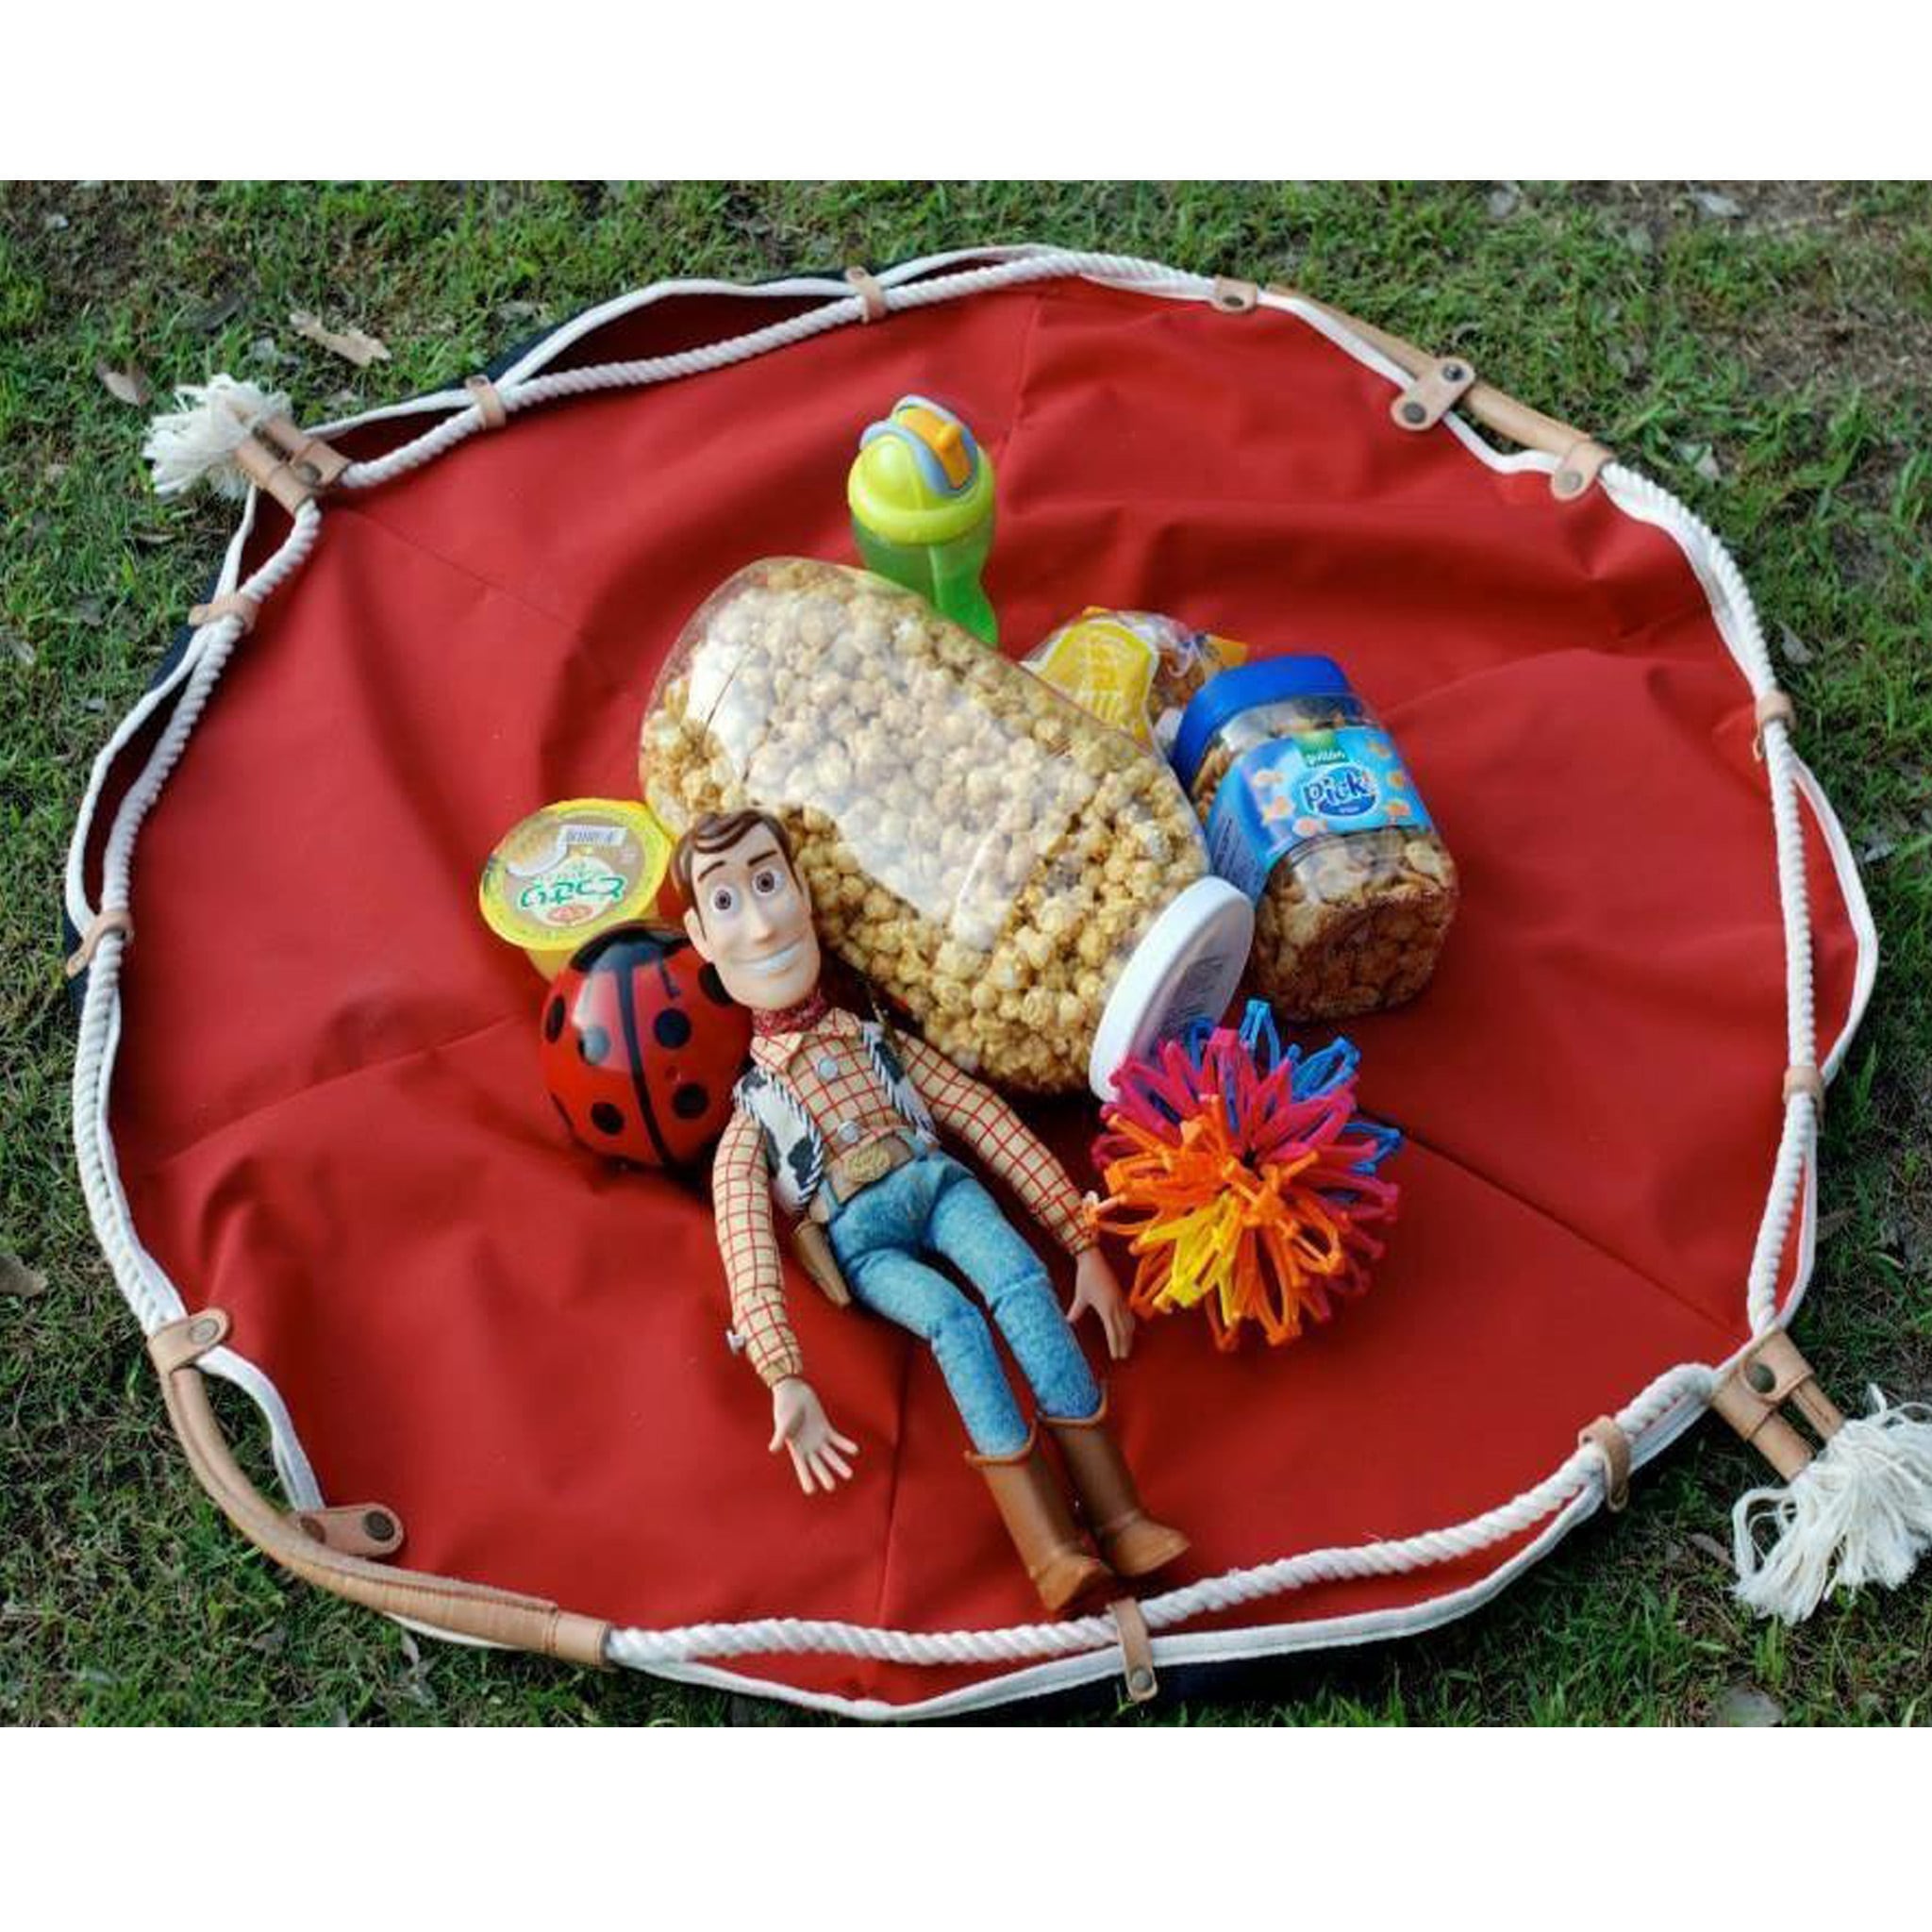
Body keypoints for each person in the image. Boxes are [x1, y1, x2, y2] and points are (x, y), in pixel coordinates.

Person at [678, 807, 1187, 1611]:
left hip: (939, 1183)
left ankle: (1121, 1514)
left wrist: (1078, 1237)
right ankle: (1050, 1550)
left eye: (769, 882)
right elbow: (743, 1239)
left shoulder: (879, 1041)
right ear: (701, 937)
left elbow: (981, 1114)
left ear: (803, 889)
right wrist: (784, 1373)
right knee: (956, 1325)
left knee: (1020, 1280)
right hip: (862, 1241)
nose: (764, 922)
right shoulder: (754, 1114)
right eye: (727, 901)